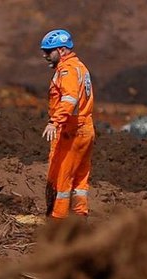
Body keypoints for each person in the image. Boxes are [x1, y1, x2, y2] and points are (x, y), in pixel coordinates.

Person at [40, 28, 95, 220]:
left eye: (49, 51)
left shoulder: (68, 70)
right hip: (85, 128)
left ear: (62, 50)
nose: (45, 55)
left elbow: (69, 99)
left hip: (73, 131)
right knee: (80, 179)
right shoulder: (80, 67)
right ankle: (79, 219)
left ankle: (58, 222)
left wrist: (54, 122)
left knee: (62, 178)